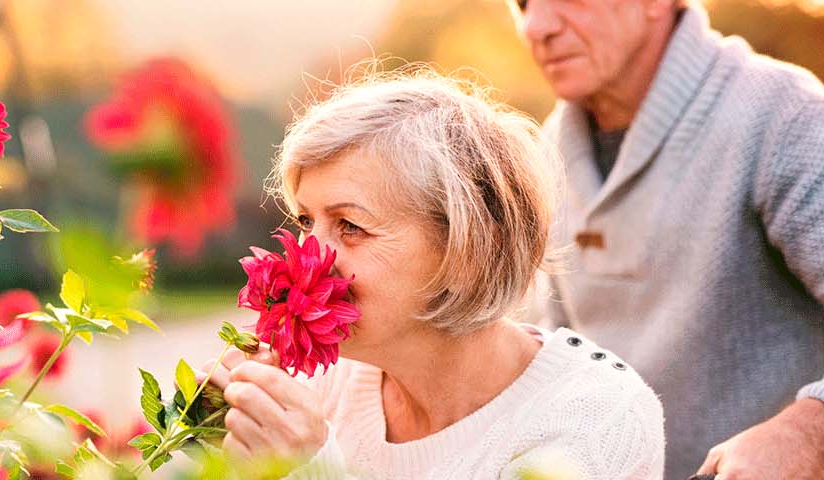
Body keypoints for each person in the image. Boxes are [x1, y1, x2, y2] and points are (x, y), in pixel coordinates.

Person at [509, 0, 824, 478]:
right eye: (523, 2)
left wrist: (812, 433)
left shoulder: (781, 117)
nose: (537, 25)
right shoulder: (548, 153)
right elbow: (558, 358)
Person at [205, 68, 666, 478]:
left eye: (350, 226)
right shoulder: (322, 384)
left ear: (468, 253)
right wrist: (204, 441)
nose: (306, 256)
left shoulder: (593, 420)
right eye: (306, 222)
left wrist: (309, 468)